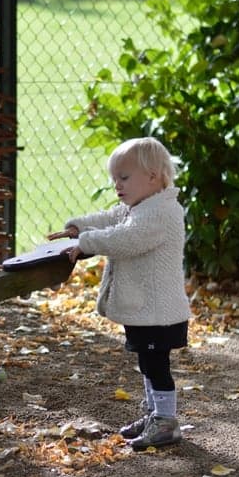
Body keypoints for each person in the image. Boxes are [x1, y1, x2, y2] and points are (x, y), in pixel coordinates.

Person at [48, 137, 191, 448]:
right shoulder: (139, 206)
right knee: (146, 361)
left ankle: (166, 421)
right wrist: (78, 228)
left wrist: (86, 243)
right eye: (115, 179)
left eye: (124, 178)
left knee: (156, 365)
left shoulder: (162, 213)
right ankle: (155, 413)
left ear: (153, 176)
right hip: (144, 310)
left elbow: (126, 238)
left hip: (159, 313)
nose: (117, 186)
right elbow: (110, 218)